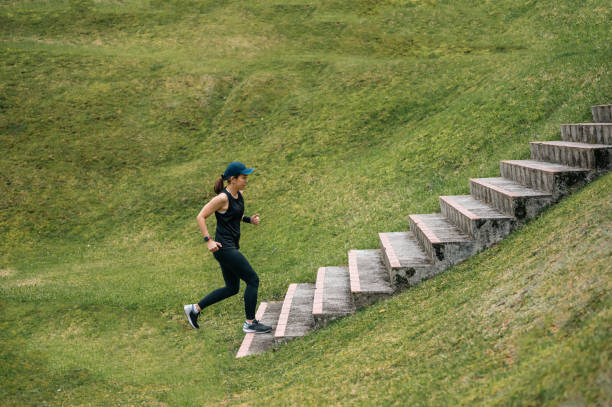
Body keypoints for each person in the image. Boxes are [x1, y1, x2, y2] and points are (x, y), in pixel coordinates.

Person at [183, 161, 272, 334]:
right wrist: (208, 240)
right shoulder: (222, 198)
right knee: (253, 280)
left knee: (232, 288)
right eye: (243, 177)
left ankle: (195, 309)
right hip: (223, 248)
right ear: (232, 179)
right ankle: (250, 323)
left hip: (230, 247)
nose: (246, 180)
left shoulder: (238, 193)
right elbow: (200, 216)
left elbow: (233, 214)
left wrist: (249, 220)